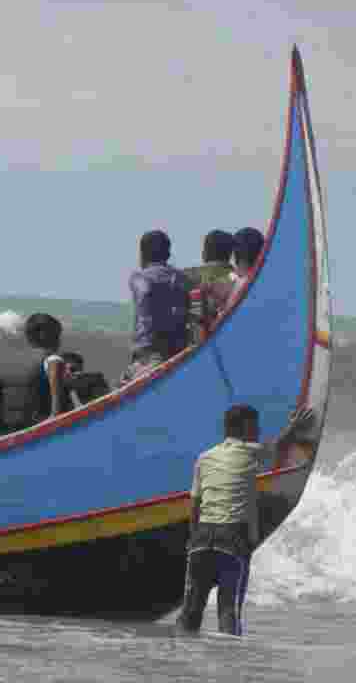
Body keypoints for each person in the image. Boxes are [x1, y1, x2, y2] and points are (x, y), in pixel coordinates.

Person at [176, 404, 315, 635]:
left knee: (190, 611)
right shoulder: (250, 451)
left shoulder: (204, 458)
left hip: (200, 540)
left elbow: (195, 507)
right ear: (246, 427)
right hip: (231, 539)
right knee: (228, 610)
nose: (259, 430)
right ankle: (230, 667)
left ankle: (179, 657)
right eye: (256, 426)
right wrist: (294, 427)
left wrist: (193, 541)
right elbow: (279, 445)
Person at [0, 313, 70, 440]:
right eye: (57, 335)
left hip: (2, 432)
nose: (59, 340)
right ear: (45, 334)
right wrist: (55, 416)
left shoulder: (0, 362)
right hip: (36, 429)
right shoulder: (52, 360)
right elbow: (56, 392)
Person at [120, 230, 190, 384]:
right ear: (168, 254)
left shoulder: (138, 278)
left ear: (142, 255)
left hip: (147, 354)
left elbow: (145, 294)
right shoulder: (182, 279)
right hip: (178, 352)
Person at [183, 230, 237, 344]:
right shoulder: (238, 277)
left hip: (196, 342)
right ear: (230, 254)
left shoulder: (188, 275)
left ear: (204, 253)